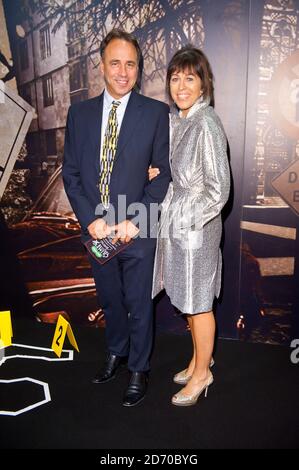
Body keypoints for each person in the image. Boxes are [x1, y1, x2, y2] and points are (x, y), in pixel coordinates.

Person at [63, 29, 171, 406]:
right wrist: (89, 219)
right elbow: (71, 174)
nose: (123, 72)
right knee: (110, 299)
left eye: (130, 64)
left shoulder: (157, 113)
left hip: (136, 230)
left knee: (139, 304)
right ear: (102, 66)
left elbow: (164, 175)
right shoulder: (79, 114)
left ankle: (139, 368)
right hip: (98, 231)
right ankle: (117, 352)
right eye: (115, 63)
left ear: (138, 69)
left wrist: (136, 219)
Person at [151, 45, 230, 406]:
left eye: (190, 78)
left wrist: (183, 219)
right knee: (188, 301)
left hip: (197, 228)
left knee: (199, 304)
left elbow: (218, 191)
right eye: (175, 78)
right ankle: (198, 358)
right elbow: (176, 171)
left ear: (203, 84)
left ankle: (203, 374)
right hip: (181, 224)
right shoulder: (180, 119)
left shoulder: (206, 122)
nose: (181, 86)